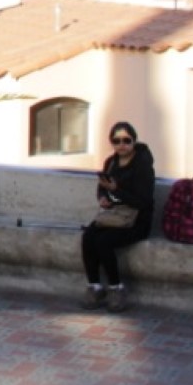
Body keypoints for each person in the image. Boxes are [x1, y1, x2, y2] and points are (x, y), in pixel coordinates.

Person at [81, 121, 156, 313]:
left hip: (136, 220)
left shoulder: (143, 165)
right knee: (89, 236)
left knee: (104, 241)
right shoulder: (111, 162)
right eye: (116, 141)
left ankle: (116, 288)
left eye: (126, 140)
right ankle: (95, 286)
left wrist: (117, 191)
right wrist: (104, 198)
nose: (121, 145)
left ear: (133, 141)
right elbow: (103, 189)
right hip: (114, 215)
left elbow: (143, 201)